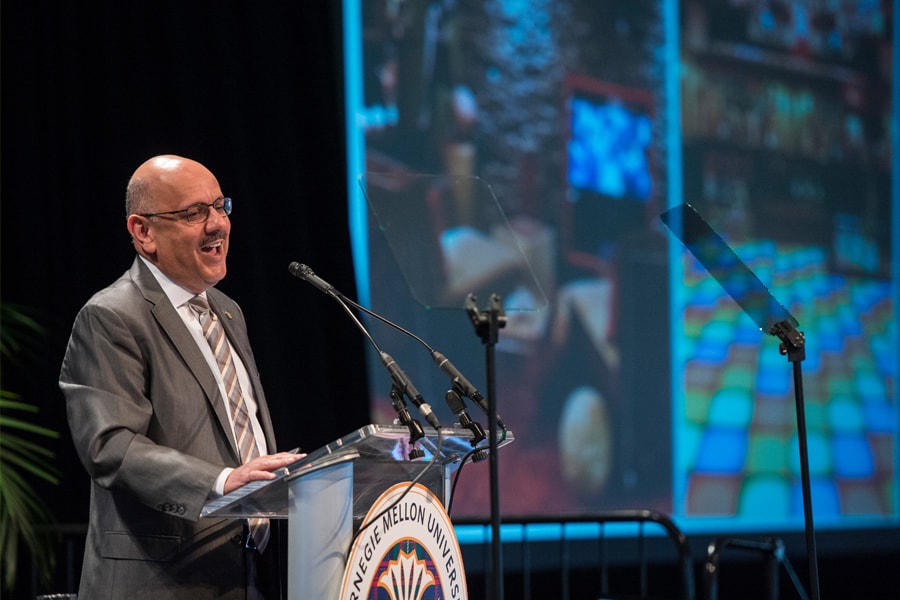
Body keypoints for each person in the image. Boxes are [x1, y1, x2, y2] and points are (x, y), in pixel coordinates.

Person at [59, 154, 302, 599]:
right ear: (143, 232)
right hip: (160, 582)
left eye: (219, 206)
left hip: (246, 575)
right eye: (193, 213)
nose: (217, 225)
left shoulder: (228, 311)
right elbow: (110, 446)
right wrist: (222, 481)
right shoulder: (112, 316)